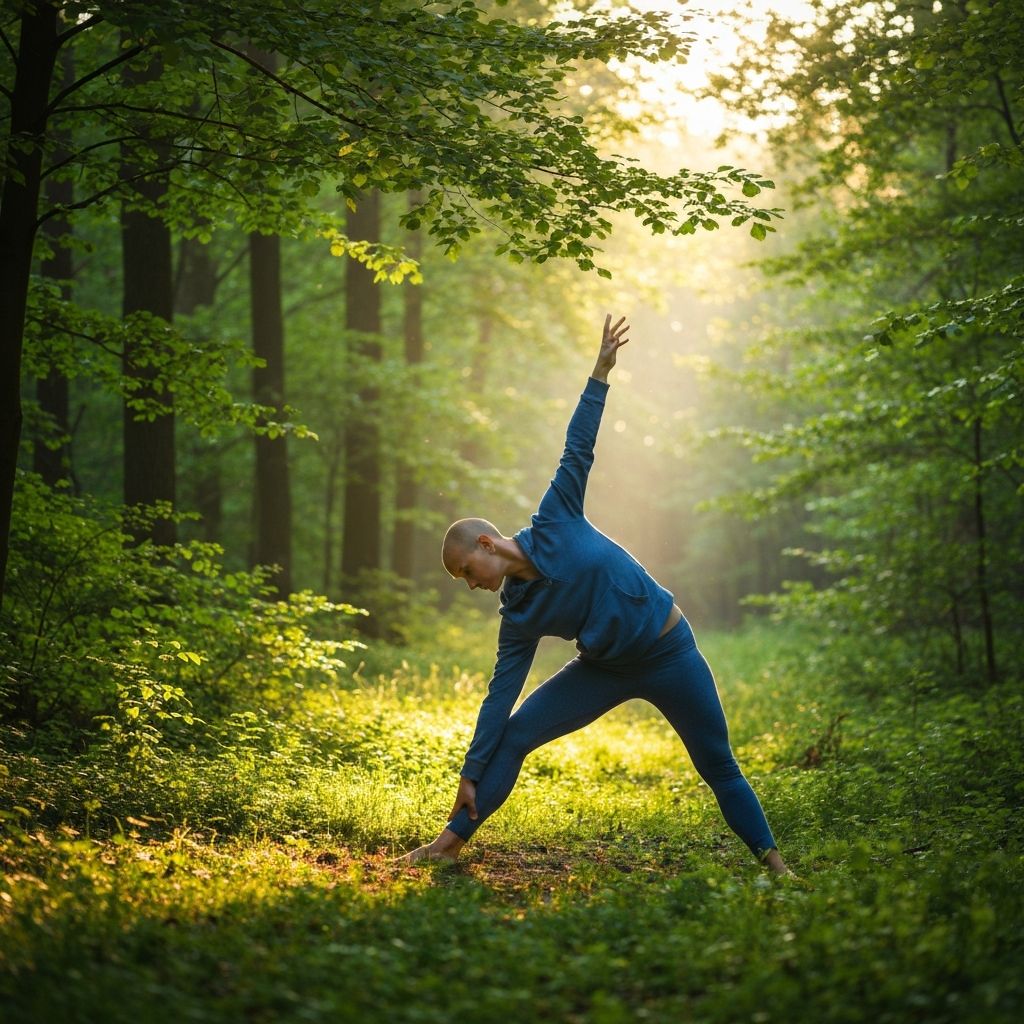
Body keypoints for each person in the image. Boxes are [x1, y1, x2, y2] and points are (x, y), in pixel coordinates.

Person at [402, 314, 789, 875]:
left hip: (669, 652)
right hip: (605, 668)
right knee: (512, 739)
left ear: (486, 544)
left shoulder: (556, 518)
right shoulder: (518, 613)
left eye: (467, 569)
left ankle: (779, 870)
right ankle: (447, 846)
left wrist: (599, 374)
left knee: (718, 765)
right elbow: (499, 693)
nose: (471, 584)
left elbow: (576, 447)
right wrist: (471, 768)